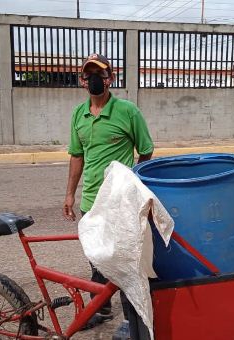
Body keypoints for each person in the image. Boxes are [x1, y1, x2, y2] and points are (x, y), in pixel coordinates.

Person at [62, 53, 154, 337]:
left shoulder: (127, 111)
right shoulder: (79, 114)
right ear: (82, 81)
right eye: (88, 75)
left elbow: (146, 150)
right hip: (92, 202)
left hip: (120, 203)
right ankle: (100, 309)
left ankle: (130, 321)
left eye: (99, 75)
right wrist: (69, 195)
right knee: (97, 258)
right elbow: (77, 157)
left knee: (124, 263)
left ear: (110, 79)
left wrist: (130, 184)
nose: (94, 80)